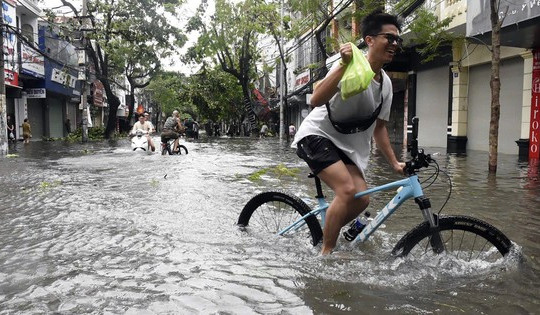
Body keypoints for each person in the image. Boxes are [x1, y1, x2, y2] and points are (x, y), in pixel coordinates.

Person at [291, 10, 405, 255]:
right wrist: (342, 65)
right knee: (346, 191)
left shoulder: (386, 85)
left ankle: (326, 232)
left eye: (398, 40)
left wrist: (395, 163)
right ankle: (326, 256)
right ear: (370, 39)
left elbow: (380, 129)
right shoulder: (350, 63)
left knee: (362, 198)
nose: (395, 44)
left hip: (346, 147)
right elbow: (317, 100)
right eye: (389, 38)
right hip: (316, 135)